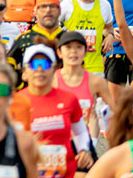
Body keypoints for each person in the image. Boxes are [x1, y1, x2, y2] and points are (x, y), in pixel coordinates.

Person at [18, 43, 92, 177]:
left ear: (54, 70)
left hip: (65, 172)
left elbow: (80, 131)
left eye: (45, 64)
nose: (39, 69)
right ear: (24, 73)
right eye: (34, 65)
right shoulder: (15, 103)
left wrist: (83, 150)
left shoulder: (69, 99)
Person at [55, 30, 112, 138]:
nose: (73, 52)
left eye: (79, 47)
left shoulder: (96, 82)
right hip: (60, 143)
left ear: (85, 52)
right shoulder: (52, 81)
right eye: (68, 47)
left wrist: (92, 142)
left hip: (84, 143)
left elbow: (112, 111)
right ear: (59, 53)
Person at [58, 0, 115, 75]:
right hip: (71, 67)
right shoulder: (66, 5)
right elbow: (53, 29)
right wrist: (64, 33)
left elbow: (108, 28)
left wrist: (110, 36)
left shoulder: (104, 5)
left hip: (95, 67)